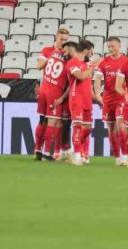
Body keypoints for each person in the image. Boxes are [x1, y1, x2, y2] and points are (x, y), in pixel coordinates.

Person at [93, 37, 128, 166]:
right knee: (111, 129)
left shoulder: (127, 61)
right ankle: (117, 158)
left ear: (119, 46)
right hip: (108, 100)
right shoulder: (104, 62)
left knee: (121, 126)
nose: (110, 48)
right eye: (109, 46)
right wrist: (98, 95)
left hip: (121, 98)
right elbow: (97, 79)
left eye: (113, 46)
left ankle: (125, 156)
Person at [35, 28, 70, 161]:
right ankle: (46, 153)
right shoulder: (49, 50)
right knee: (52, 122)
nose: (63, 42)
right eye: (61, 39)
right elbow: (39, 66)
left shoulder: (64, 53)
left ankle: (37, 150)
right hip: (53, 92)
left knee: (42, 121)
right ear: (56, 38)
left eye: (66, 40)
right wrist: (53, 55)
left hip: (44, 89)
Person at [60, 40, 96, 166]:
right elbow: (80, 76)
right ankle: (77, 156)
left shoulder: (87, 64)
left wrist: (98, 99)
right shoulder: (72, 63)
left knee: (87, 129)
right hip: (76, 99)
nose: (92, 54)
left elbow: (88, 85)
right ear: (85, 51)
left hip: (87, 100)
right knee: (78, 127)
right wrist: (92, 67)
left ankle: (72, 151)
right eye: (91, 51)